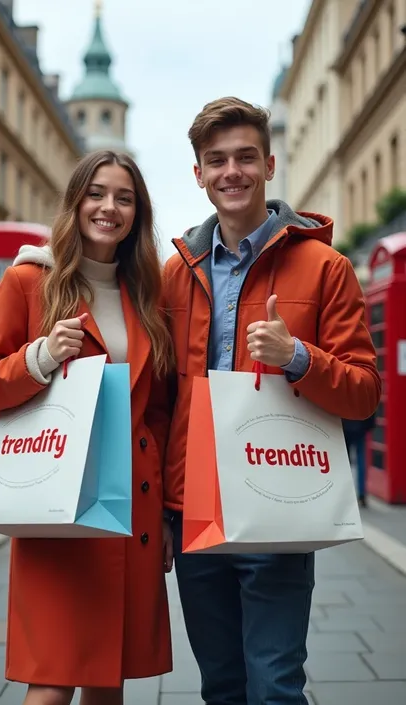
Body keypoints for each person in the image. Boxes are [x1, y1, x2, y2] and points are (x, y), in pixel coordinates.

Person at [162, 97, 381, 705]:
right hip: (195, 509)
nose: (231, 171)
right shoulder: (174, 274)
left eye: (245, 157)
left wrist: (298, 358)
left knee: (276, 684)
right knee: (222, 686)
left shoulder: (326, 267)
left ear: (269, 165)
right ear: (199, 174)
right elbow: (155, 394)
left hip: (277, 500)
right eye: (216, 160)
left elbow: (364, 393)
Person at [0, 150, 175, 705]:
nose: (110, 207)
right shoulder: (28, 281)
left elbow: (156, 411)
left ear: (138, 213)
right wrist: (38, 357)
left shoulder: (146, 297)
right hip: (56, 504)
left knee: (108, 679)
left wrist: (166, 515)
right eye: (97, 193)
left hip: (130, 505)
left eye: (124, 198)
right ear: (75, 202)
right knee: (53, 680)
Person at [343, 414, 376, 507]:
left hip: (344, 423)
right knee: (361, 458)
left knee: (344, 461)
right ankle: (362, 493)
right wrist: (370, 424)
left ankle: (344, 494)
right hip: (361, 423)